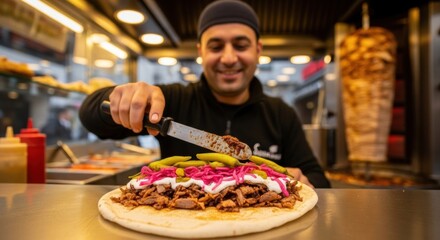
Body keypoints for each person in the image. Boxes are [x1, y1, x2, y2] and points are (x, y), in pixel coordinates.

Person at [79, 0, 331, 188]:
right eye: (216, 46)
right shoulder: (170, 100)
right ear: (201, 51)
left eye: (241, 46)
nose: (229, 58)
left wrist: (302, 180)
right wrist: (123, 97)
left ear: (258, 50)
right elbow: (90, 117)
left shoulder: (280, 114)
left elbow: (319, 180)